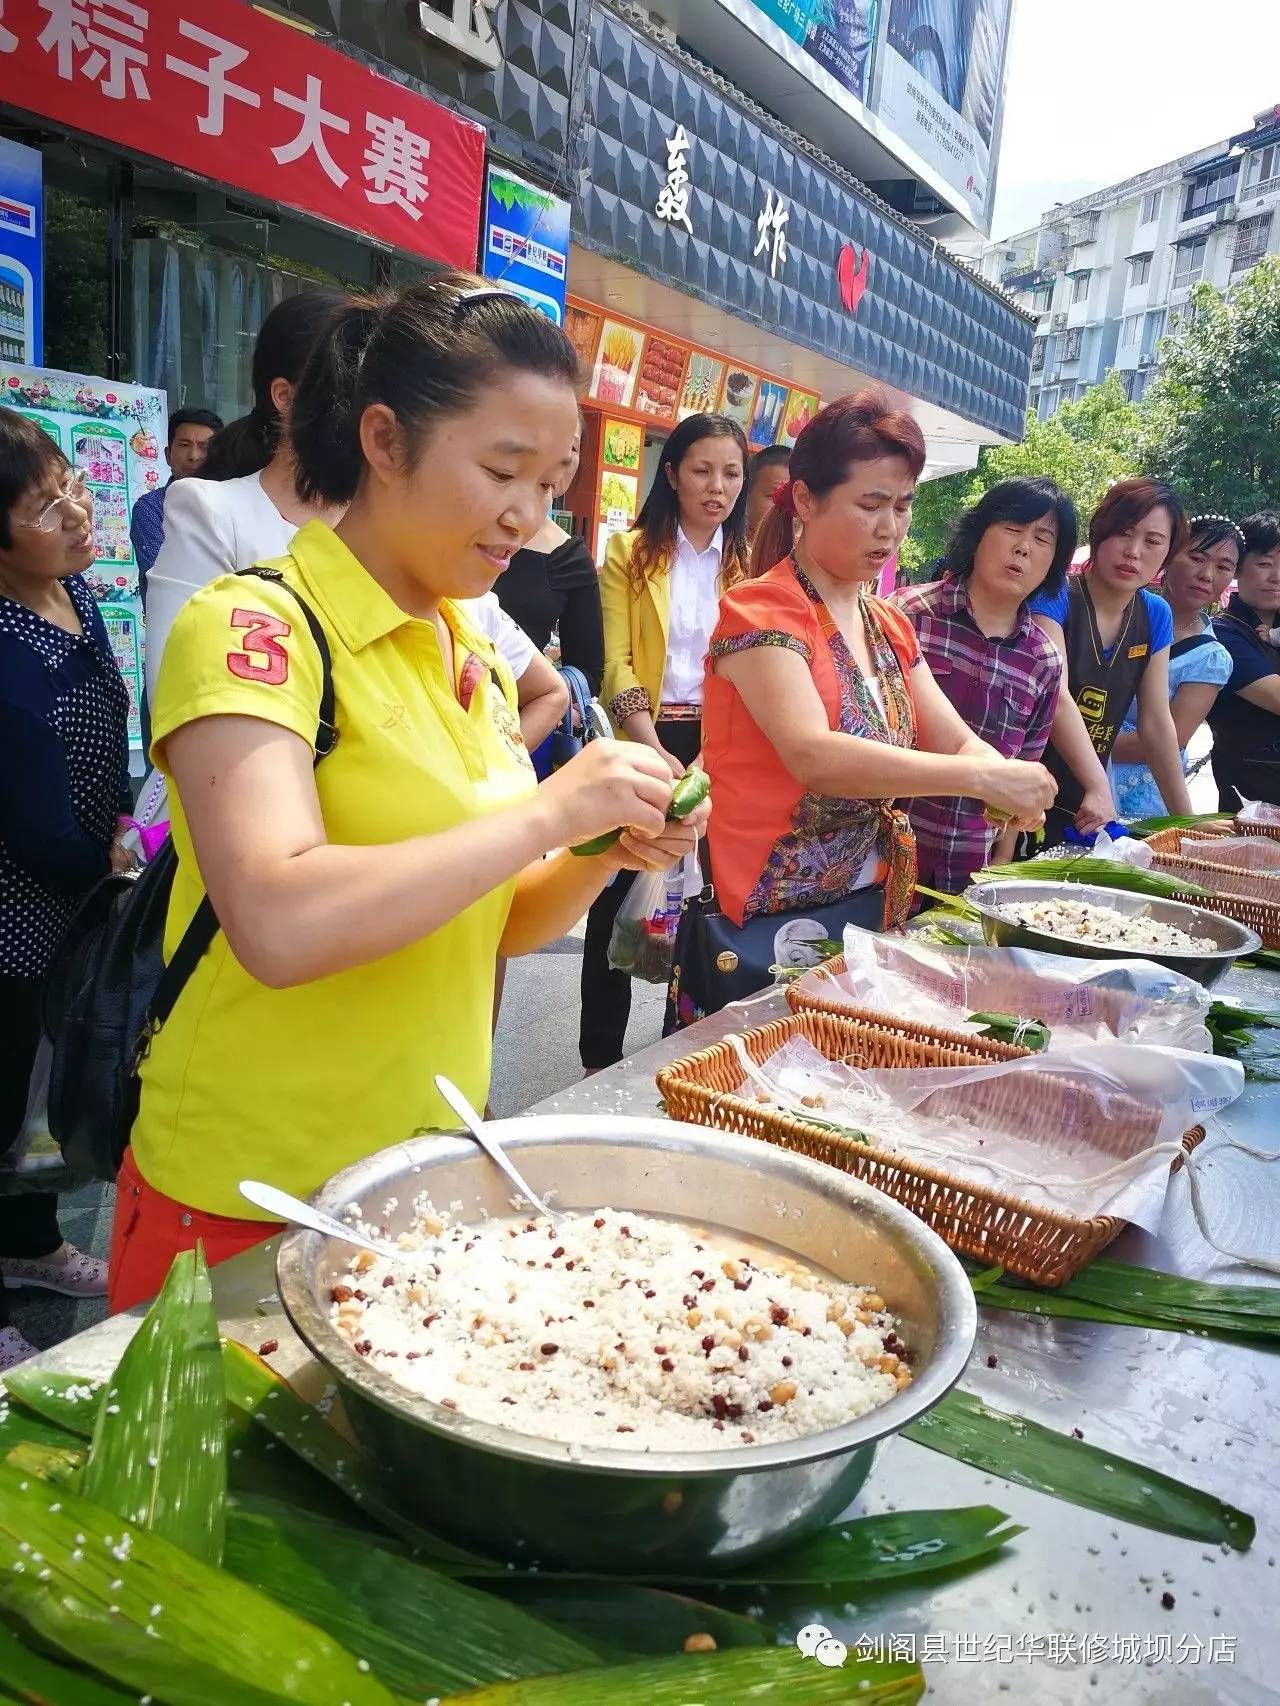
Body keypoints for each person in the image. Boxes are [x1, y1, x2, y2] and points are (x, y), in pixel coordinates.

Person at [108, 275, 707, 1313]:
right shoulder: (255, 627)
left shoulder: (464, 635)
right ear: (383, 442)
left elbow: (496, 919)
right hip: (247, 1191)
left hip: (416, 1181)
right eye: (501, 470)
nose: (527, 514)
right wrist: (552, 808)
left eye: (550, 481)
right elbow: (280, 919)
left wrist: (600, 850)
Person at [698, 391, 1055, 946]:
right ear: (806, 501)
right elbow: (813, 754)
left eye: (903, 505)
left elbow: (956, 741)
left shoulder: (888, 623)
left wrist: (1005, 780)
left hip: (869, 905)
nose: (889, 527)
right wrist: (979, 778)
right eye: (870, 505)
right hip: (768, 918)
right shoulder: (760, 609)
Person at [0, 411, 125, 1367]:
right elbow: (26, 811)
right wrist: (101, 869)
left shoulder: (71, 599)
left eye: (73, 488)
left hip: (80, 894)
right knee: (1, 1095)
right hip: (17, 908)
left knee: (43, 1090)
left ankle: (32, 1246)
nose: (78, 512)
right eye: (46, 506)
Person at [580, 414, 749, 1071]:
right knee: (617, 888)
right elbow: (616, 663)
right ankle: (599, 1054)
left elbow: (746, 671)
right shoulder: (629, 553)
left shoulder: (745, 569)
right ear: (672, 474)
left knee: (702, 899)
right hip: (645, 733)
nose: (718, 486)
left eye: (731, 473)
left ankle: (679, 1055)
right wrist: (649, 743)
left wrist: (714, 754)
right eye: (703, 470)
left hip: (720, 745)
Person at [144, 291, 349, 698]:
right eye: (350, 389)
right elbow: (180, 693)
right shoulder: (211, 514)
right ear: (285, 398)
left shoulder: (397, 520)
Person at [894, 478, 1072, 892]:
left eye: (1043, 539)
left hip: (967, 871)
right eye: (1013, 529)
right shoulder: (907, 614)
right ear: (978, 534)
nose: (1024, 547)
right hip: (879, 857)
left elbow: (1022, 770)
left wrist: (1001, 865)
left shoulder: (1043, 660)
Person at [1030, 477, 1193, 844]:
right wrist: (1099, 784)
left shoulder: (1155, 615)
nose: (1134, 551)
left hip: (1086, 803)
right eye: (1123, 533)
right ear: (1100, 532)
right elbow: (1056, 698)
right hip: (1028, 783)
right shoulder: (1055, 596)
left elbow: (1156, 722)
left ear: (1167, 554)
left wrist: (1188, 823)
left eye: (1153, 542)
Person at [1110, 515, 1238, 819]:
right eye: (1196, 558)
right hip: (1075, 779)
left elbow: (1171, 737)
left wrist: (1075, 745)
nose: (1207, 575)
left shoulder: (1209, 657)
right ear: (1168, 554)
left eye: (1223, 567)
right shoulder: (1116, 611)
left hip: (1141, 801)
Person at [497, 410, 604, 703]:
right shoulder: (469, 529)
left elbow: (589, 670)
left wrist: (550, 697)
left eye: (572, 447)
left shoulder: (571, 557)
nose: (564, 458)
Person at [1209, 511, 1280, 809]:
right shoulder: (1224, 634)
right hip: (1255, 798)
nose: (1276, 577)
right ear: (1237, 568)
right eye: (1264, 564)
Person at [128, 406, 223, 593]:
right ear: (168, 455)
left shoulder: (230, 504)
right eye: (184, 445)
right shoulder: (151, 508)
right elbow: (166, 577)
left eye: (205, 447)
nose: (194, 456)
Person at [744, 445, 791, 547]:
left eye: (791, 499)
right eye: (773, 496)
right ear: (746, 495)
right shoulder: (724, 554)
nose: (784, 507)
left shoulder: (797, 559)